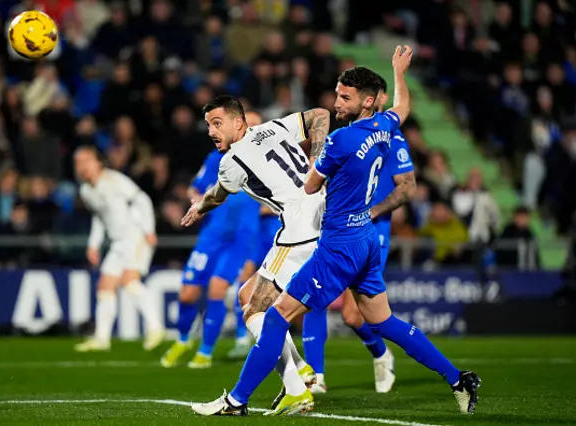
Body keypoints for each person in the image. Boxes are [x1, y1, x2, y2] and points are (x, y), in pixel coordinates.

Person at [189, 46, 481, 417]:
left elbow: (310, 185)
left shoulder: (342, 140)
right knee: (383, 321)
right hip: (366, 237)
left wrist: (316, 161)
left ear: (366, 101)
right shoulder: (382, 126)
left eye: (345, 97)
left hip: (335, 241)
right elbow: (403, 109)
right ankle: (458, 378)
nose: (336, 101)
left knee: (273, 316)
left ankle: (240, 399)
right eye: (337, 94)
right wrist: (399, 73)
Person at [179, 94, 331, 415]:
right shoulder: (274, 128)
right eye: (208, 125)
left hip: (299, 230)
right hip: (323, 217)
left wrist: (200, 207)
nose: (211, 131)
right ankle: (298, 375)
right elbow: (320, 115)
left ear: (239, 121)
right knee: (249, 296)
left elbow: (218, 195)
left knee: (252, 309)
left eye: (217, 123)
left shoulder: (231, 162)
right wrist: (317, 160)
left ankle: (284, 386)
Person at [301, 75, 417, 395]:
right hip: (336, 224)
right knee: (315, 296)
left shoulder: (392, 136)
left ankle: (380, 352)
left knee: (354, 316)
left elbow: (407, 187)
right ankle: (316, 376)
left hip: (371, 229)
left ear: (374, 100)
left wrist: (374, 212)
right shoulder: (346, 135)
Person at [160, 114, 262, 369]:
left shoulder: (264, 160)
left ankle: (205, 351)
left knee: (217, 290)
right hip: (212, 236)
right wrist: (201, 201)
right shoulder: (217, 158)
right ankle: (183, 339)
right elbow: (194, 189)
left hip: (241, 238)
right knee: (187, 294)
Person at [73, 146, 164, 352]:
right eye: (78, 162)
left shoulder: (114, 180)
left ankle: (156, 328)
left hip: (135, 235)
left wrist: (149, 229)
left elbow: (141, 199)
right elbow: (100, 217)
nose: (82, 166)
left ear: (98, 163)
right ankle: (102, 338)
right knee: (105, 286)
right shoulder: (86, 190)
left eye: (86, 160)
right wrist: (93, 245)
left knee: (130, 282)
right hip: (117, 243)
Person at [228, 204, 281, 359]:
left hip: (278, 238)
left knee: (280, 290)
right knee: (244, 284)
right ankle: (242, 338)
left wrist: (269, 208)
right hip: (256, 238)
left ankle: (273, 337)